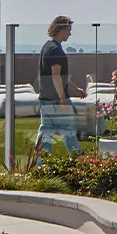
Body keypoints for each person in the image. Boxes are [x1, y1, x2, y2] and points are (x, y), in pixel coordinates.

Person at [34, 16, 79, 155]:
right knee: (68, 131)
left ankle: (39, 164)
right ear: (60, 29)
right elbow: (56, 75)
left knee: (46, 132)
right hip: (56, 100)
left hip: (45, 98)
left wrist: (76, 89)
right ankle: (79, 161)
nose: (70, 34)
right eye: (68, 30)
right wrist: (62, 98)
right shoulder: (55, 50)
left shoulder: (47, 47)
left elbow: (60, 77)